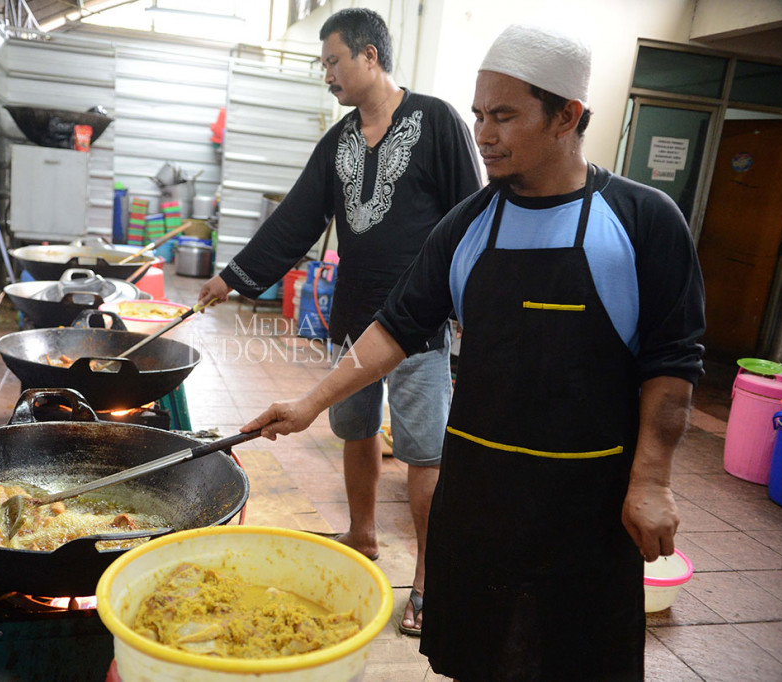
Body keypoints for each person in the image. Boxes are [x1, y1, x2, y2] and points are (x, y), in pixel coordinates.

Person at [242, 23, 706, 680]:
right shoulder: (467, 224)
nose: (484, 133)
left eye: (505, 116)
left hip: (588, 508)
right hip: (478, 500)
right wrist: (309, 403)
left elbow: (673, 363)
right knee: (476, 660)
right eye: (479, 115)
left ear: (567, 115)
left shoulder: (641, 221)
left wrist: (652, 480)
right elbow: (394, 329)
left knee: (578, 662)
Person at [197, 8, 482, 636]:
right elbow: (295, 221)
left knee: (423, 454)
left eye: (332, 61)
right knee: (355, 430)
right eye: (324, 63)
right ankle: (362, 534)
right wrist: (233, 277)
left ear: (370, 57)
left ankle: (432, 581)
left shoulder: (436, 123)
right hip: (355, 320)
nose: (327, 74)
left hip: (420, 325)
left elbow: (472, 217)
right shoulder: (337, 143)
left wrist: (466, 309)